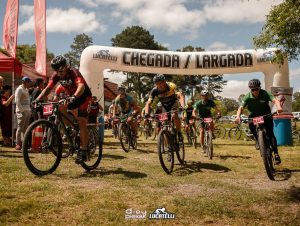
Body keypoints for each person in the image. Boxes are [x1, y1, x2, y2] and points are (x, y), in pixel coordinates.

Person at [34, 55, 92, 164]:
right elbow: (48, 89)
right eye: (57, 71)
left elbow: (81, 86)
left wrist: (74, 96)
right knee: (59, 106)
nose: (59, 73)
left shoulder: (74, 72)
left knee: (81, 120)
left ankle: (84, 150)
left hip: (84, 97)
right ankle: (69, 129)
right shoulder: (57, 75)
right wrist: (37, 99)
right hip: (71, 97)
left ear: (66, 66)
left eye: (61, 70)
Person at [235, 79, 283, 164]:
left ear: (260, 88)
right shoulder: (247, 97)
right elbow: (241, 108)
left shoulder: (264, 93)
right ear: (250, 90)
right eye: (253, 89)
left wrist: (279, 107)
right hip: (254, 114)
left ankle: (276, 154)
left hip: (266, 114)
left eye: (257, 89)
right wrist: (238, 116)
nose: (255, 91)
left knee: (270, 134)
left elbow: (275, 100)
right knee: (250, 124)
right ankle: (257, 139)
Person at [145, 74, 184, 140]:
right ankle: (168, 145)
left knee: (174, 115)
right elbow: (148, 103)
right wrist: (146, 113)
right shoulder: (154, 90)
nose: (159, 85)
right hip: (164, 106)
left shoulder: (171, 86)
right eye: (157, 84)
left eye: (160, 83)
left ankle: (179, 132)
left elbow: (180, 96)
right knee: (164, 125)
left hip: (173, 103)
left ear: (164, 82)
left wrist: (182, 106)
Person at [15, 76, 32, 150]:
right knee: (20, 128)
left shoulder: (26, 89)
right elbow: (17, 101)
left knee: (25, 128)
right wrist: (22, 111)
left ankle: (23, 143)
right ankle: (18, 143)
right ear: (25, 82)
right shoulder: (19, 89)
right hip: (21, 111)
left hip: (27, 111)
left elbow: (27, 101)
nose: (29, 84)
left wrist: (29, 110)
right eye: (28, 82)